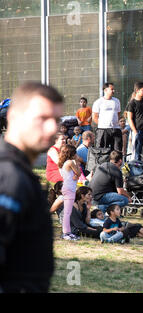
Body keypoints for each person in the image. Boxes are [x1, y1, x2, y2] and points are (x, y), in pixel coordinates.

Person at [0, 82, 63, 292]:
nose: (53, 128)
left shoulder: (20, 172)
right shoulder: (9, 177)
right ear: (13, 117)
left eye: (56, 120)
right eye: (43, 119)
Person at [58, 144, 81, 241]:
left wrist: (76, 175)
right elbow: (79, 173)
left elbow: (76, 175)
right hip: (69, 189)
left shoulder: (65, 163)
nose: (76, 154)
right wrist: (77, 164)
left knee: (68, 212)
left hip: (68, 188)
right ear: (71, 154)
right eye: (75, 152)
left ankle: (67, 232)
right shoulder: (70, 162)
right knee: (67, 212)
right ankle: (66, 232)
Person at [92, 82, 122, 151]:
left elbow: (118, 113)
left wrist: (116, 124)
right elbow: (95, 116)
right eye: (111, 89)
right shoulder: (98, 102)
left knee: (117, 151)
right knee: (102, 150)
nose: (113, 91)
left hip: (115, 129)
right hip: (103, 129)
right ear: (105, 90)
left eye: (114, 89)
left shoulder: (117, 101)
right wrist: (102, 125)